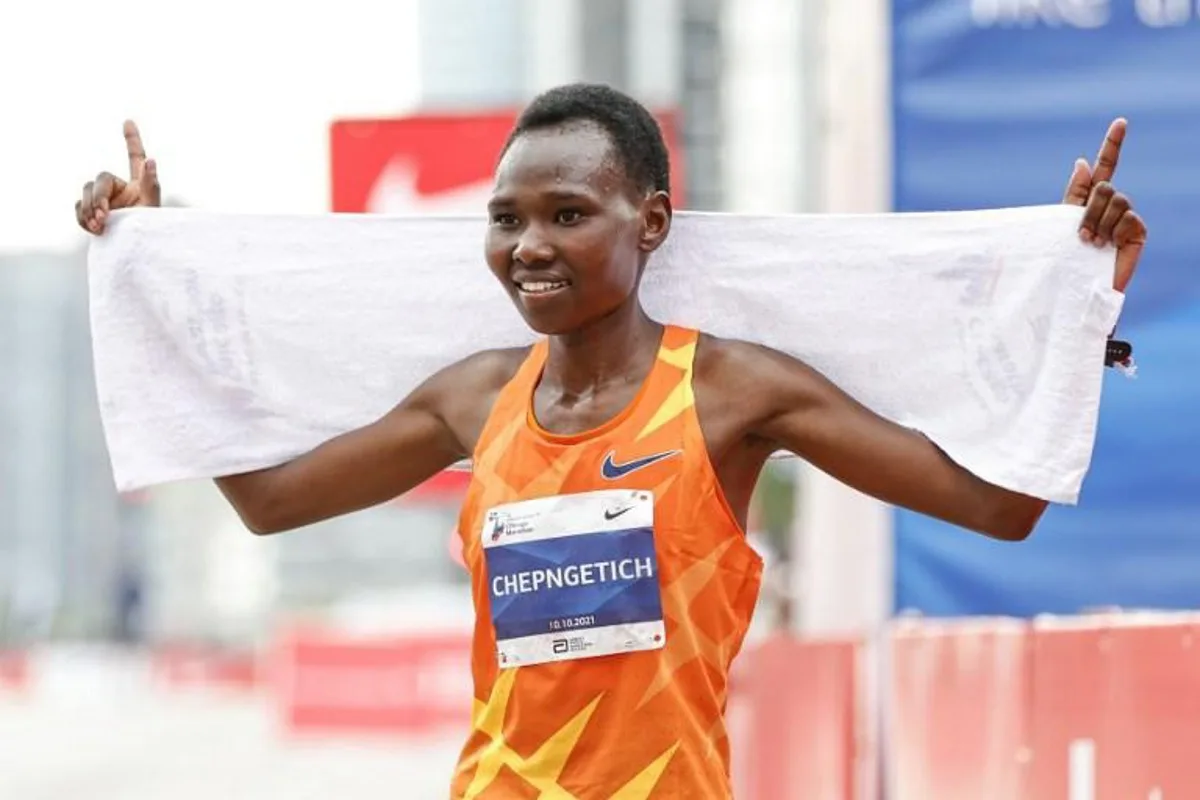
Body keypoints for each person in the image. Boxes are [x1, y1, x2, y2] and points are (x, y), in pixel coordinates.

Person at [75, 84, 1147, 798]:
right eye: (506, 217)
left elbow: (999, 508)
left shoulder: (732, 392)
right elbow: (267, 499)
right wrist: (151, 284)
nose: (529, 245)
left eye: (568, 213)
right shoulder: (474, 398)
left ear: (653, 220)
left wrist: (1071, 307)